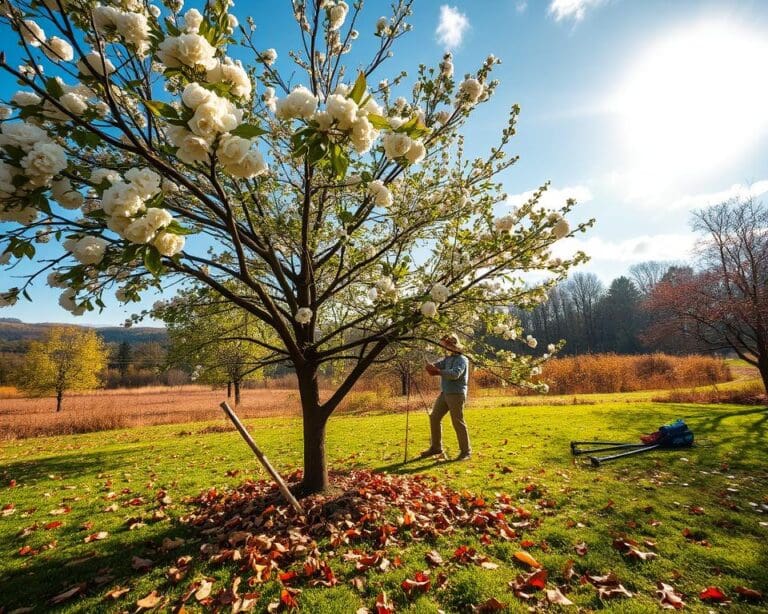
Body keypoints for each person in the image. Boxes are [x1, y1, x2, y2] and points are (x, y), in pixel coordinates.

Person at [420, 333, 471, 461]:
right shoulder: (447, 359)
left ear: (453, 345)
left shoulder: (462, 360)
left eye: (446, 346)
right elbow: (437, 366)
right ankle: (436, 447)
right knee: (434, 417)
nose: (445, 349)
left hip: (456, 394)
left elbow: (455, 374)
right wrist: (430, 367)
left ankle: (466, 452)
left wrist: (438, 372)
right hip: (445, 393)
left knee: (457, 422)